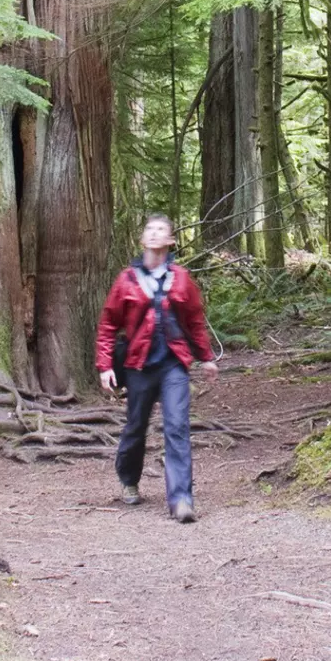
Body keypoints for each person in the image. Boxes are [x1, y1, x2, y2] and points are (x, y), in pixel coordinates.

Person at [95, 214, 218, 522]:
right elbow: (109, 324)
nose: (154, 234)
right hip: (138, 365)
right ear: (142, 239)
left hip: (173, 365)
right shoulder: (127, 279)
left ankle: (181, 501)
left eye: (161, 230)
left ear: (170, 241)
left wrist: (206, 357)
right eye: (149, 229)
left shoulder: (181, 277)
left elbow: (194, 320)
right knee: (136, 426)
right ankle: (128, 478)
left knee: (177, 427)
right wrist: (105, 365)